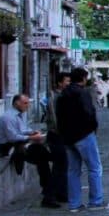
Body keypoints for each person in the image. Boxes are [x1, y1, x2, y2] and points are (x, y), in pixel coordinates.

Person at [56, 67, 109, 211]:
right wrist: (93, 128)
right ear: (84, 78)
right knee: (94, 168)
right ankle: (96, 201)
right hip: (84, 135)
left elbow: (59, 117)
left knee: (73, 170)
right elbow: (89, 113)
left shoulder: (63, 94)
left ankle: (74, 203)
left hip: (68, 137)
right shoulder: (82, 93)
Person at [0, 94, 58, 208]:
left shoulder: (19, 115)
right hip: (9, 147)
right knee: (42, 155)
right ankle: (49, 192)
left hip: (21, 144)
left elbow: (23, 129)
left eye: (28, 103)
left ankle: (49, 192)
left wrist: (33, 133)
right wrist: (31, 138)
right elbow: (12, 137)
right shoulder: (8, 117)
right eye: (25, 103)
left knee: (43, 155)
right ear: (16, 103)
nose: (28, 106)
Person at [45, 72, 71, 203]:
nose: (69, 83)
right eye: (67, 81)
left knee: (62, 165)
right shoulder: (55, 97)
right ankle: (50, 196)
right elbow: (55, 118)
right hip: (57, 135)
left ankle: (61, 193)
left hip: (59, 135)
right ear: (60, 83)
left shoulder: (62, 96)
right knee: (59, 166)